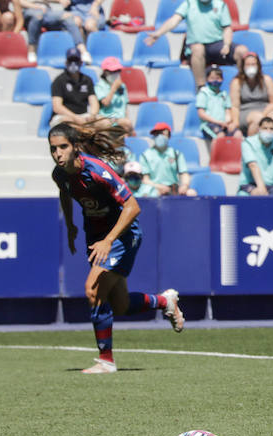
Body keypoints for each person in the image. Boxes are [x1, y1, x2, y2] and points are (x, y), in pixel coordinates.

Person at [49, 121, 184, 375]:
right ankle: (165, 302)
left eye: (63, 147)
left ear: (75, 147)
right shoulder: (60, 175)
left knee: (92, 290)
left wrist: (108, 241)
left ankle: (106, 361)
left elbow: (133, 207)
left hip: (122, 236)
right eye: (53, 148)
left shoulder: (97, 170)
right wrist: (70, 226)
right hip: (97, 237)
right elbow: (65, 194)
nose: (58, 153)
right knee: (120, 305)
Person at [143, 0, 247, 88]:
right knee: (198, 49)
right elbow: (174, 20)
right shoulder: (189, 4)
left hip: (217, 44)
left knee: (242, 51)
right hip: (195, 44)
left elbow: (227, 28)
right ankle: (201, 87)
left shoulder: (220, 4)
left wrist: (227, 44)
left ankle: (242, 85)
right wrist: (158, 33)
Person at [238, 115, 273, 196]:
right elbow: (252, 165)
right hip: (249, 184)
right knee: (258, 194)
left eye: (271, 129)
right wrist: (260, 187)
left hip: (269, 185)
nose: (268, 131)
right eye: (265, 128)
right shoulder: (248, 143)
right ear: (259, 129)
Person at [139, 122, 195, 196]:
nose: (159, 136)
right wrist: (159, 187)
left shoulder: (176, 154)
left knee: (191, 193)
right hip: (155, 188)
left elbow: (184, 173)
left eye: (162, 134)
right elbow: (145, 180)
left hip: (173, 188)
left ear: (168, 136)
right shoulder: (146, 155)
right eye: (156, 134)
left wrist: (184, 185)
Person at [231, 52, 273, 136]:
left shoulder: (267, 80)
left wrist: (264, 114)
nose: (251, 67)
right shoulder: (237, 82)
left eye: (253, 64)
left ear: (258, 66)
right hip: (245, 113)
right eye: (248, 64)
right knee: (258, 118)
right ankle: (252, 146)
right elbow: (235, 106)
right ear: (243, 66)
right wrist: (235, 122)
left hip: (265, 110)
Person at [52, 47, 98, 127]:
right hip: (66, 116)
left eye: (76, 60)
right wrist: (75, 117)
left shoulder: (87, 80)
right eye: (71, 61)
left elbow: (93, 101)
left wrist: (93, 115)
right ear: (66, 62)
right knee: (68, 123)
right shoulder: (59, 80)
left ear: (80, 62)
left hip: (84, 115)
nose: (73, 63)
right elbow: (57, 107)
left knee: (105, 123)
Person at [195, 65, 235, 143]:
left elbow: (228, 111)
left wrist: (227, 122)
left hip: (223, 124)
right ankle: (216, 155)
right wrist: (218, 122)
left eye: (218, 78)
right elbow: (201, 114)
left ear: (222, 79)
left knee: (237, 134)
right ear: (207, 79)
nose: (215, 81)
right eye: (212, 78)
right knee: (220, 136)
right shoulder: (204, 93)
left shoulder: (224, 94)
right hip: (208, 124)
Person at [93, 57, 131, 132]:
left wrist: (127, 120)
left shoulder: (122, 86)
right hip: (108, 120)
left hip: (122, 120)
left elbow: (125, 107)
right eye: (113, 71)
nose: (116, 73)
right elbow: (106, 103)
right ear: (105, 72)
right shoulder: (100, 86)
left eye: (118, 71)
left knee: (127, 124)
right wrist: (113, 89)